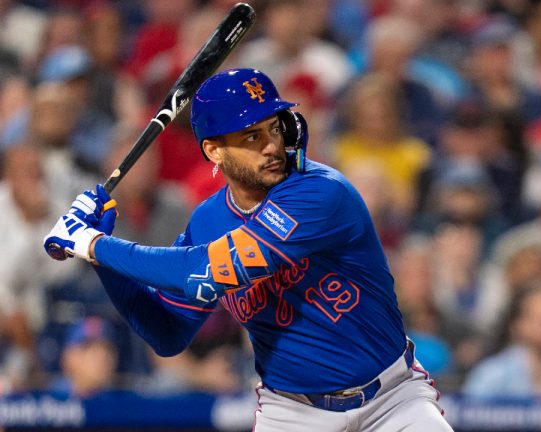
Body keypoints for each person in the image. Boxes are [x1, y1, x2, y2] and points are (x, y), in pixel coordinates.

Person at [42, 68, 452, 431]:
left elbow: (206, 269)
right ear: (214, 150)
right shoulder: (207, 221)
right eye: (251, 136)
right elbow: (167, 334)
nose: (271, 146)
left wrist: (94, 244)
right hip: (292, 413)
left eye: (274, 128)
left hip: (392, 402)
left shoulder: (320, 192)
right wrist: (99, 261)